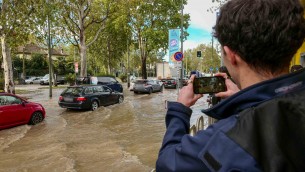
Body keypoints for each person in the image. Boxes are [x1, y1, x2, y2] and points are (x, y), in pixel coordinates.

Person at [156, 0, 305, 171]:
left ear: (230, 55)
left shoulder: (222, 141)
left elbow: (167, 162)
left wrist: (179, 110)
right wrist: (242, 101)